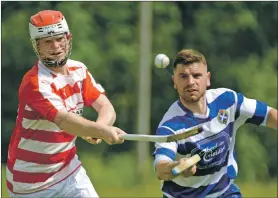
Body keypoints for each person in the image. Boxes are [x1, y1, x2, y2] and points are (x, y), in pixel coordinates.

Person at [6, 10, 126, 198]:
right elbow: (64, 120)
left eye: (59, 39)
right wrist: (101, 132)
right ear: (36, 46)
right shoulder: (35, 82)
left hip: (69, 171)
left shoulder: (79, 70)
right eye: (47, 41)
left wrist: (101, 127)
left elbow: (105, 106)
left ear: (68, 38)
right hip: (31, 183)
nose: (55, 46)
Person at [153, 49, 277, 198]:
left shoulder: (228, 100)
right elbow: (161, 169)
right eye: (183, 76)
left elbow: (270, 115)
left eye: (197, 75)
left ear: (208, 79)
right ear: (174, 81)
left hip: (224, 193)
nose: (190, 82)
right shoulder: (170, 125)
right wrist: (177, 167)